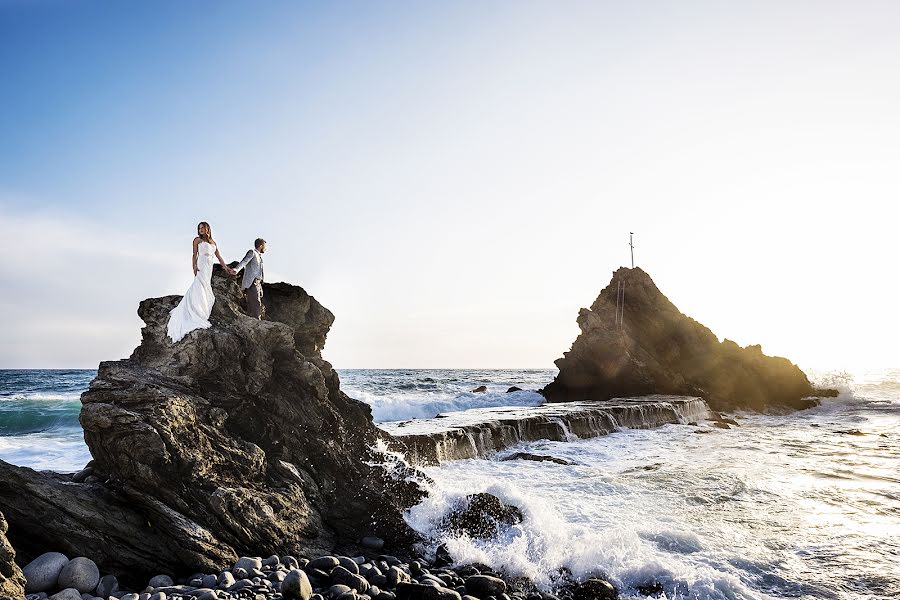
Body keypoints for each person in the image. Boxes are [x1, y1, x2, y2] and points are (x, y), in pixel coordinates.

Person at [166, 222, 236, 342]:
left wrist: (226, 268)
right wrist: (193, 266)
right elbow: (194, 254)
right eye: (199, 228)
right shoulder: (197, 240)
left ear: (208, 229)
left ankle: (202, 306)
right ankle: (196, 309)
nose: (201, 230)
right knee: (199, 285)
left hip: (209, 266)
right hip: (202, 264)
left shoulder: (213, 242)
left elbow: (218, 256)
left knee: (206, 286)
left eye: (203, 228)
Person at [233, 238, 266, 319]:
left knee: (254, 303)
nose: (266, 248)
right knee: (256, 303)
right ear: (261, 246)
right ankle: (257, 322)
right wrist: (236, 269)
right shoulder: (252, 252)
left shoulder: (259, 256)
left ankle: (252, 321)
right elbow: (244, 261)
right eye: (265, 246)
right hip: (252, 282)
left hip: (258, 283)